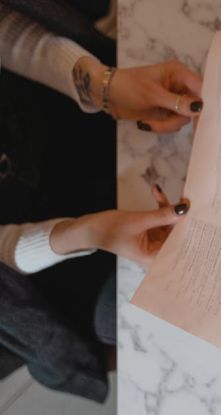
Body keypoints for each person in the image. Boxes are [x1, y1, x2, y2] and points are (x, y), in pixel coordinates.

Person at [0, 3, 199, 400]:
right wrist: (88, 232)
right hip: (45, 251)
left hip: (51, 111)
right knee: (166, 312)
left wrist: (101, 86)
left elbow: (7, 31)